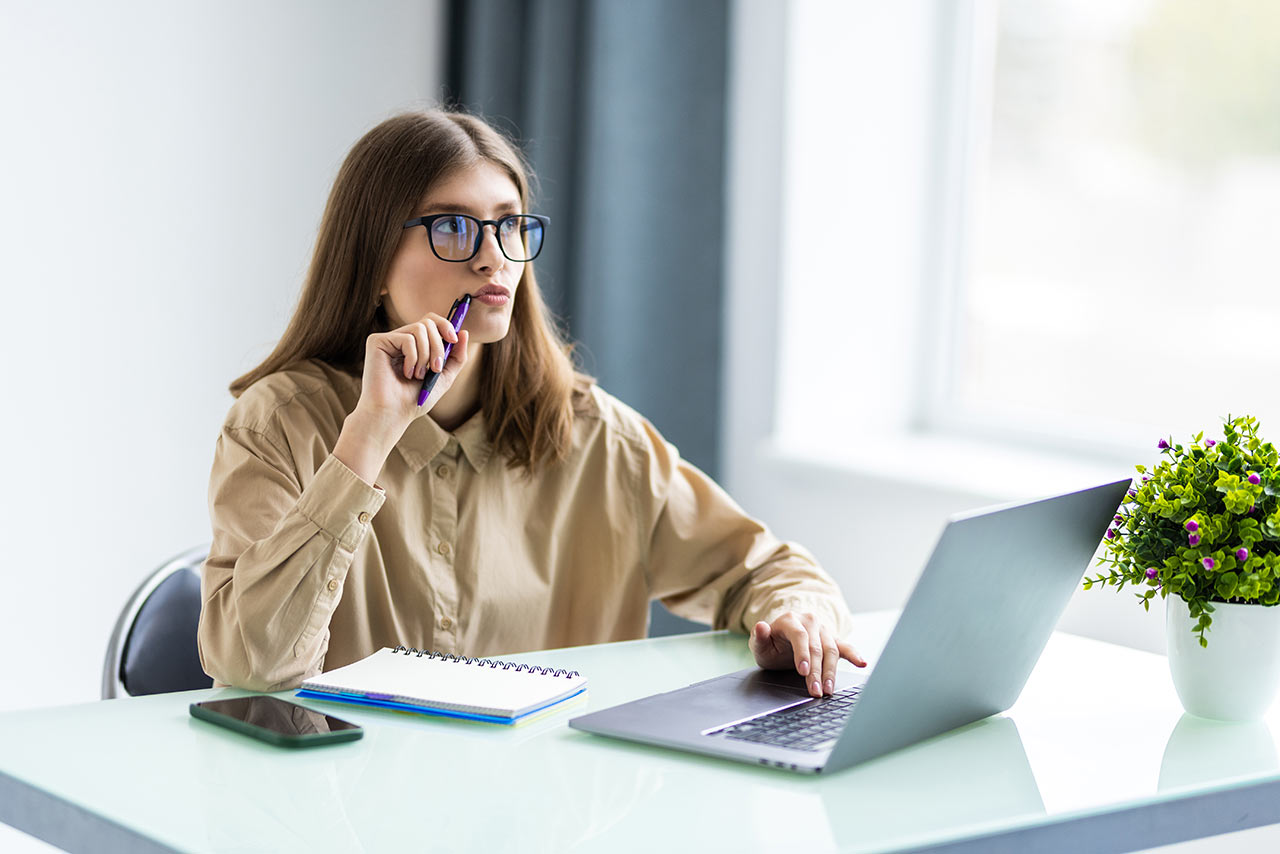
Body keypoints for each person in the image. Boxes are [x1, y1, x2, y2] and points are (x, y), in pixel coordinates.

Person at [198, 109, 863, 698]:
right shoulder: (277, 424)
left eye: (509, 226)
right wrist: (369, 435)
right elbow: (253, 668)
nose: (494, 259)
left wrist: (800, 615)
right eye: (455, 228)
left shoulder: (599, 438)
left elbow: (771, 572)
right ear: (372, 258)